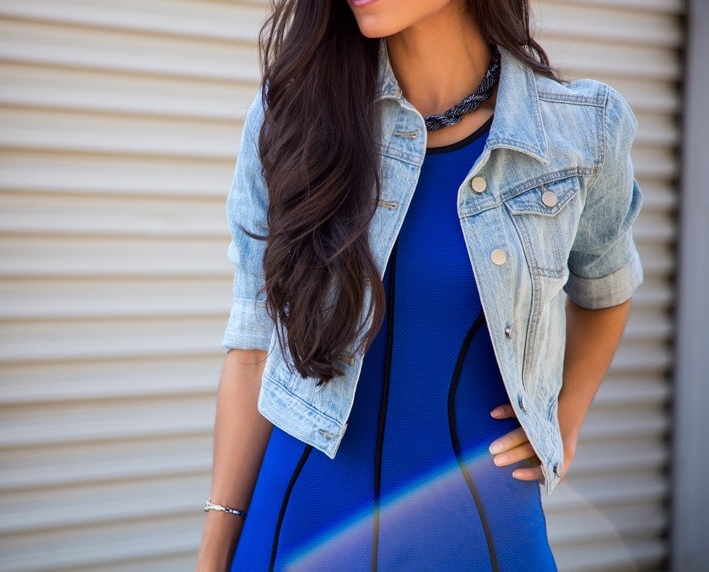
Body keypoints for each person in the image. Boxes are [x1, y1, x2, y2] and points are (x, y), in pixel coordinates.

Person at [197, 0, 643, 569]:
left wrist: (562, 421)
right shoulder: (291, 117)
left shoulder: (581, 129)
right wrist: (214, 554)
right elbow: (254, 350)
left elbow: (607, 287)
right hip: (297, 529)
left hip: (484, 536)